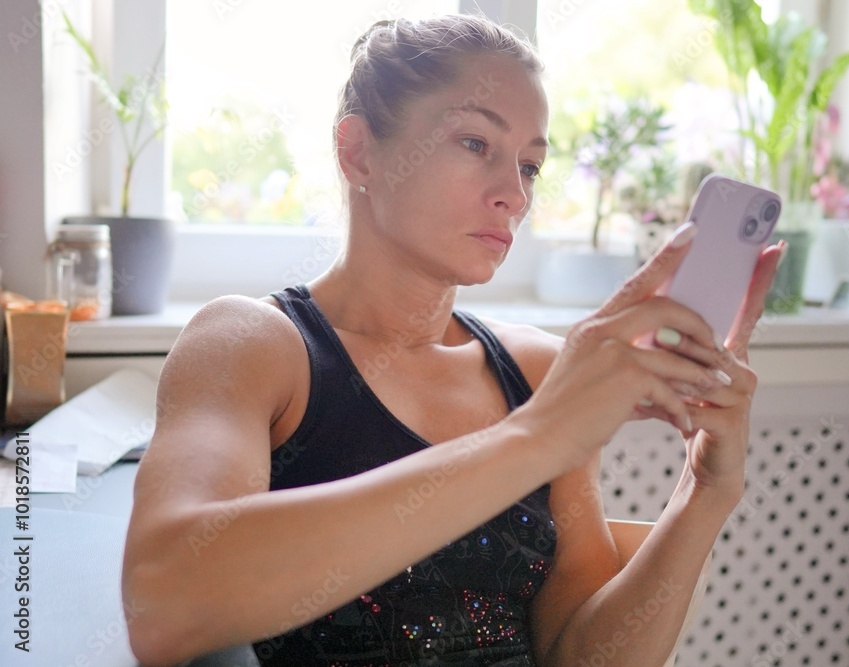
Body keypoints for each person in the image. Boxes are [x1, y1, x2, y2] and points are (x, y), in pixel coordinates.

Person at [121, 14, 784, 667]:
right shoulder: (255, 345)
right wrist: (541, 435)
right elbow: (162, 604)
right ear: (358, 152)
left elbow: (582, 657)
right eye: (475, 144)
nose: (513, 196)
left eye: (529, 166)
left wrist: (705, 492)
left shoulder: (538, 371)